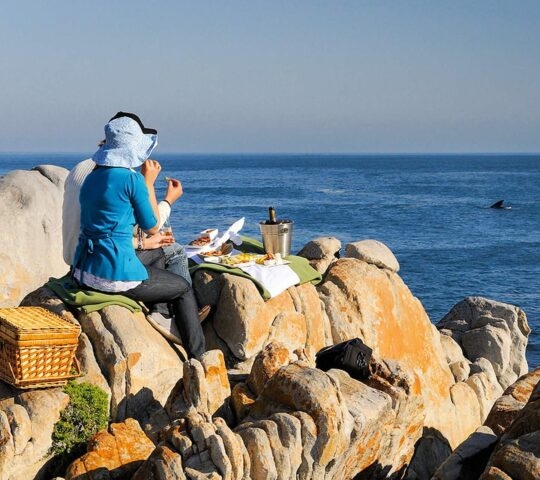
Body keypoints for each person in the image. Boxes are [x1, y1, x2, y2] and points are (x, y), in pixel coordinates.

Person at [71, 112, 206, 359]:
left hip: (84, 269)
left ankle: (161, 313)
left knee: (156, 254)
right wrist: (149, 183)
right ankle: (199, 357)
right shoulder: (131, 179)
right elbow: (153, 226)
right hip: (112, 275)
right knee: (184, 288)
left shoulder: (92, 177)